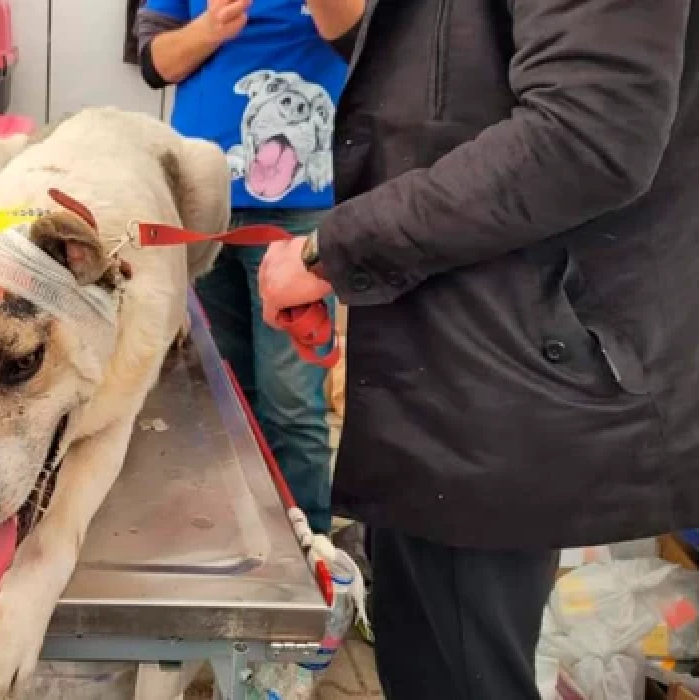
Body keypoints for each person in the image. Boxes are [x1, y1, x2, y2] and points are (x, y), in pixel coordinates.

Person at [257, 0, 699, 697]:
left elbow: (588, 135)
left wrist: (334, 251)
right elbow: (440, 83)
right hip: (449, 361)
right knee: (428, 653)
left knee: (459, 667)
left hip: (509, 369)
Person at [134, 0, 346, 535]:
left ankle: (311, 546)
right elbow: (155, 62)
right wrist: (209, 28)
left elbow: (364, 37)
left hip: (303, 206)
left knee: (292, 402)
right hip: (201, 197)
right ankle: (237, 535)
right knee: (217, 391)